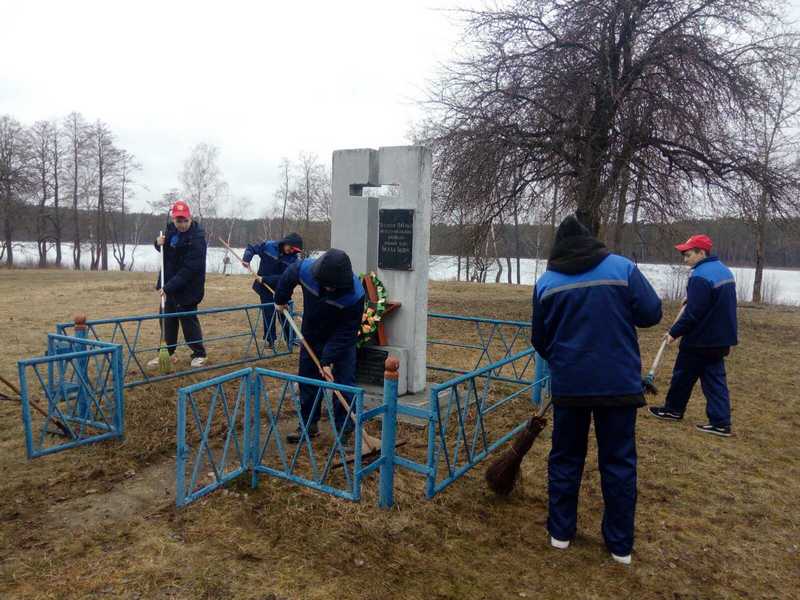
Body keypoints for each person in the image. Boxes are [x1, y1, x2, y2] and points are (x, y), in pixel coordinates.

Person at [531, 214, 662, 565]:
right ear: (591, 240)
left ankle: (560, 532)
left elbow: (539, 339)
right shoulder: (622, 269)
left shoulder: (546, 282)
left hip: (570, 386)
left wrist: (565, 358)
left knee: (565, 457)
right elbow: (651, 313)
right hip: (618, 384)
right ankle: (620, 546)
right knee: (618, 461)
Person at [273, 248, 364, 446]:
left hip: (341, 340)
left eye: (332, 286)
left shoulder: (354, 294)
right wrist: (280, 299)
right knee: (308, 380)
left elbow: (348, 330)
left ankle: (345, 430)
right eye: (325, 284)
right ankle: (308, 425)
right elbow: (289, 275)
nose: (327, 289)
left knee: (344, 384)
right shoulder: (306, 270)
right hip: (312, 335)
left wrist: (327, 360)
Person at [649, 234, 738, 437]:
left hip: (701, 338)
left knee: (683, 375)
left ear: (701, 253)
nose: (685, 259)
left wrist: (674, 333)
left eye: (688, 254)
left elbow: (693, 314)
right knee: (715, 379)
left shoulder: (700, 275)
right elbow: (711, 301)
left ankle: (673, 410)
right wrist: (692, 299)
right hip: (721, 338)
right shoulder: (723, 270)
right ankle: (721, 422)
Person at [147, 200, 208, 369]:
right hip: (169, 286)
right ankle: (167, 353)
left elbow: (189, 269)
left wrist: (168, 287)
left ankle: (199, 354)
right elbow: (166, 252)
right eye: (178, 220)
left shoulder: (197, 239)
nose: (181, 224)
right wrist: (157, 243)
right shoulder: (170, 232)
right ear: (174, 219)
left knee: (188, 322)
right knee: (167, 321)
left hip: (189, 288)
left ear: (190, 218)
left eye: (184, 220)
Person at [241, 233, 302, 347]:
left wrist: (265, 279)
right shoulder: (268, 246)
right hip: (264, 287)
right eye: (291, 248)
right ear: (286, 242)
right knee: (268, 312)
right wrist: (246, 259)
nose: (291, 251)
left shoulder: (293, 260)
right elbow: (251, 248)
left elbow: (284, 278)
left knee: (285, 312)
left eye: (294, 250)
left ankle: (291, 338)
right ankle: (270, 340)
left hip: (282, 288)